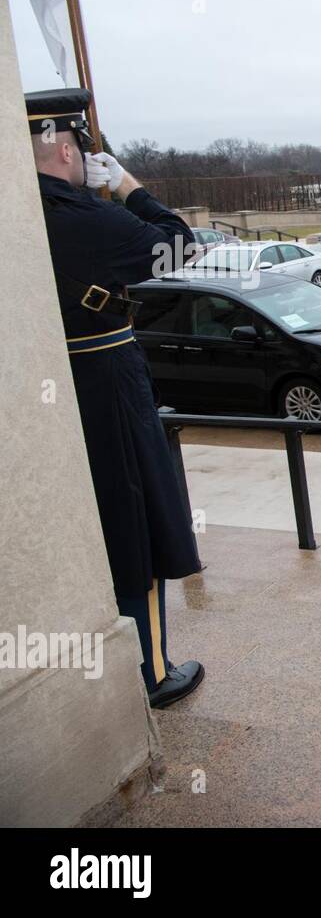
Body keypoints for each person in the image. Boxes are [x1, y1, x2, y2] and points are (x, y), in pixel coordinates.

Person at [27, 88, 203, 708]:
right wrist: (128, 186)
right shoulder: (80, 217)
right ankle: (151, 670)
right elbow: (182, 245)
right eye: (80, 146)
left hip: (46, 386)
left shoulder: (20, 213)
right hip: (104, 378)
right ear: (68, 148)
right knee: (136, 518)